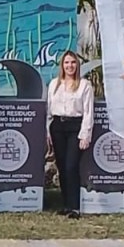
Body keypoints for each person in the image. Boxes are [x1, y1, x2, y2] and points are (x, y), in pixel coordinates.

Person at [46, 50, 94, 219]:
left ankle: (75, 207)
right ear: (62, 65)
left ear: (77, 65)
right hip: (58, 126)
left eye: (73, 62)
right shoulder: (54, 84)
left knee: (71, 166)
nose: (70, 66)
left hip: (76, 126)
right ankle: (66, 204)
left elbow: (88, 112)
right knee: (61, 166)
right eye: (66, 63)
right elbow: (48, 111)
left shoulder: (84, 85)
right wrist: (48, 132)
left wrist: (85, 134)